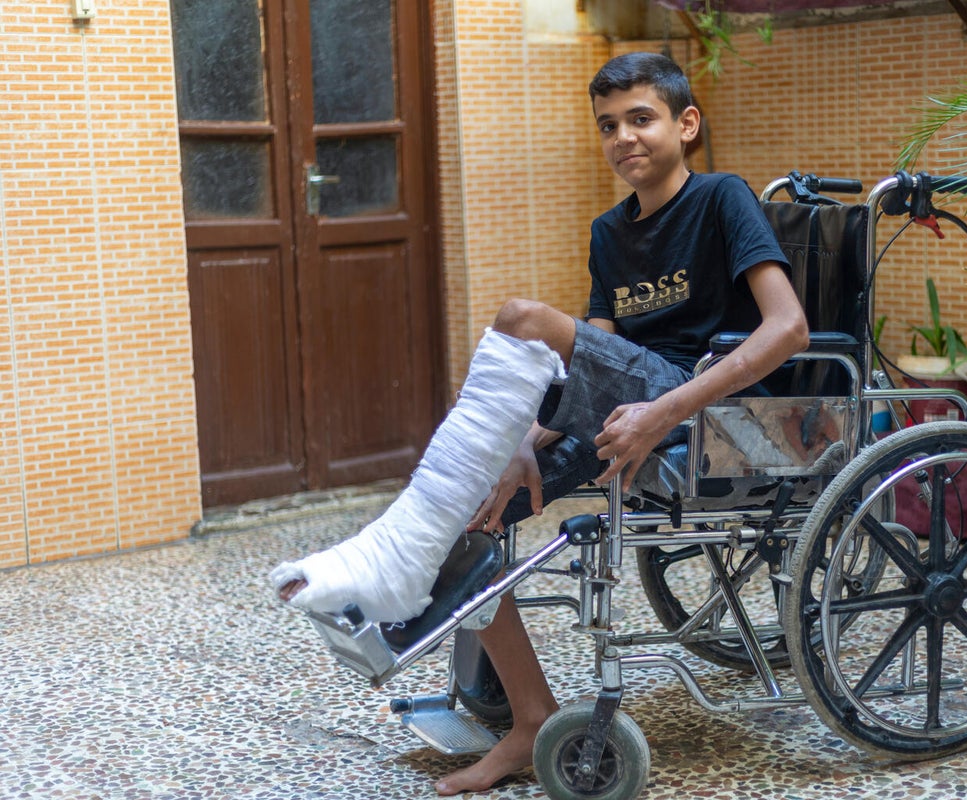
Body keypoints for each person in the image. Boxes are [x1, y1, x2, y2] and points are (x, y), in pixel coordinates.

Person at [273, 52, 808, 795]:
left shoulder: (723, 200)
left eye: (642, 119)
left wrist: (665, 411)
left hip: (703, 404)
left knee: (521, 318)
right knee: (477, 508)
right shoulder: (608, 234)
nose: (625, 137)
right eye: (608, 125)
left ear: (686, 125)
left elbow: (788, 330)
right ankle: (530, 722)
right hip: (630, 400)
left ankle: (392, 555)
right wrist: (524, 444)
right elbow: (592, 358)